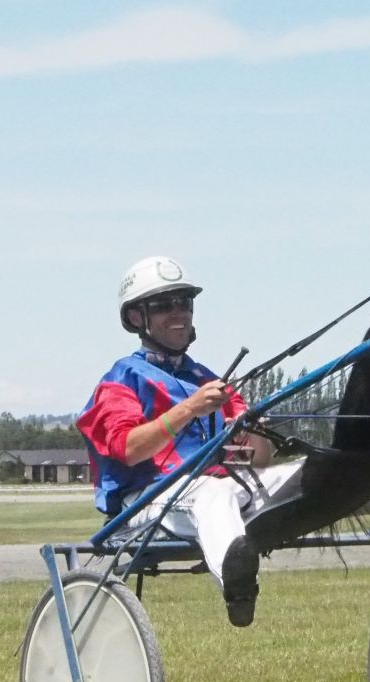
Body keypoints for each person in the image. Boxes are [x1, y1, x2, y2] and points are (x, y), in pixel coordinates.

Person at [77, 256, 303, 627]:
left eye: (184, 302)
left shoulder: (207, 379)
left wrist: (254, 431)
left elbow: (259, 461)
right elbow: (128, 449)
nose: (179, 312)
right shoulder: (121, 379)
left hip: (223, 493)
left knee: (305, 472)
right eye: (164, 305)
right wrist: (189, 409)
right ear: (136, 317)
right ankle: (239, 585)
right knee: (212, 493)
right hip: (148, 503)